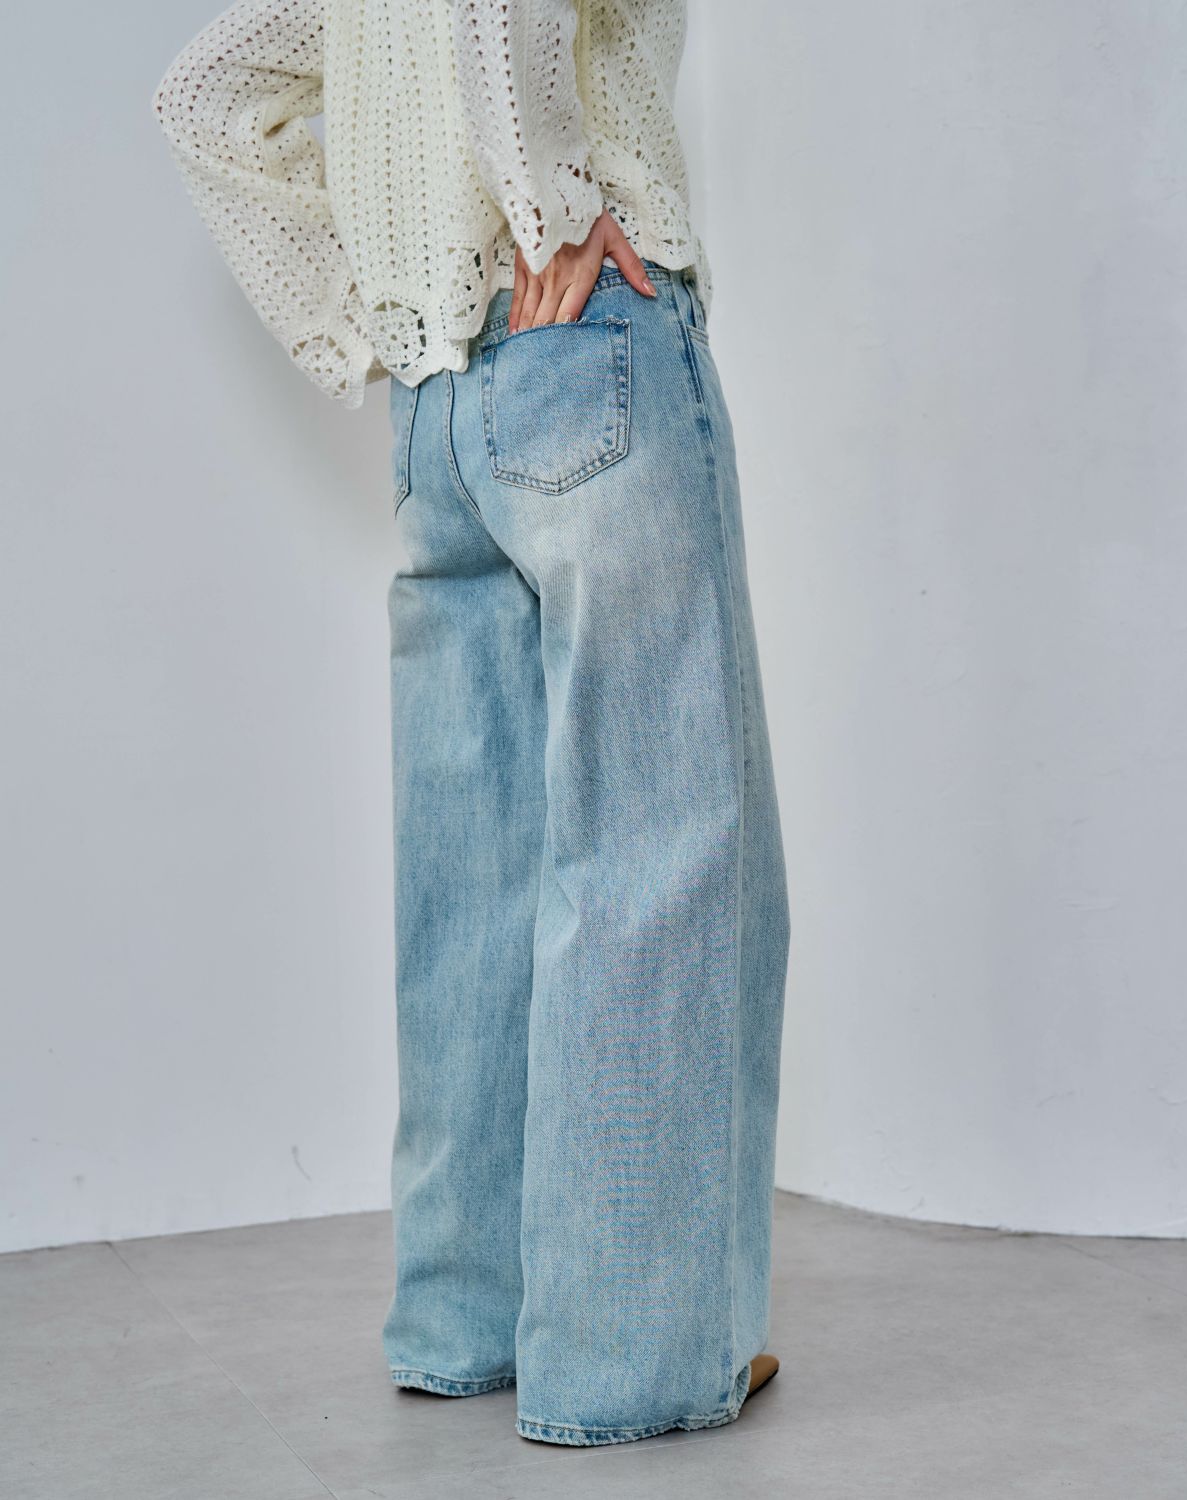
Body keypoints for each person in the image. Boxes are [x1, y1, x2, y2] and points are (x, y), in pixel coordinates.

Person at [152, 0, 790, 1449]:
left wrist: (367, 310)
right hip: (591, 348)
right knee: (658, 858)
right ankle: (625, 1360)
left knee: (475, 878)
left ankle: (464, 1322)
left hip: (437, 413)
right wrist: (552, 206)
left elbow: (204, 95)